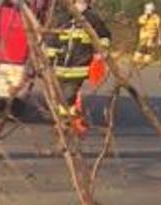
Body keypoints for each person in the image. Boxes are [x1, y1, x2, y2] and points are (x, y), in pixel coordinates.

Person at [43, 0, 113, 131]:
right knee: (60, 95)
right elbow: (52, 39)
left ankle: (64, 121)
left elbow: (104, 36)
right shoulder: (63, 17)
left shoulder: (92, 19)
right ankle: (69, 117)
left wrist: (99, 52)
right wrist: (49, 57)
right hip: (60, 65)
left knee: (69, 94)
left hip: (79, 66)